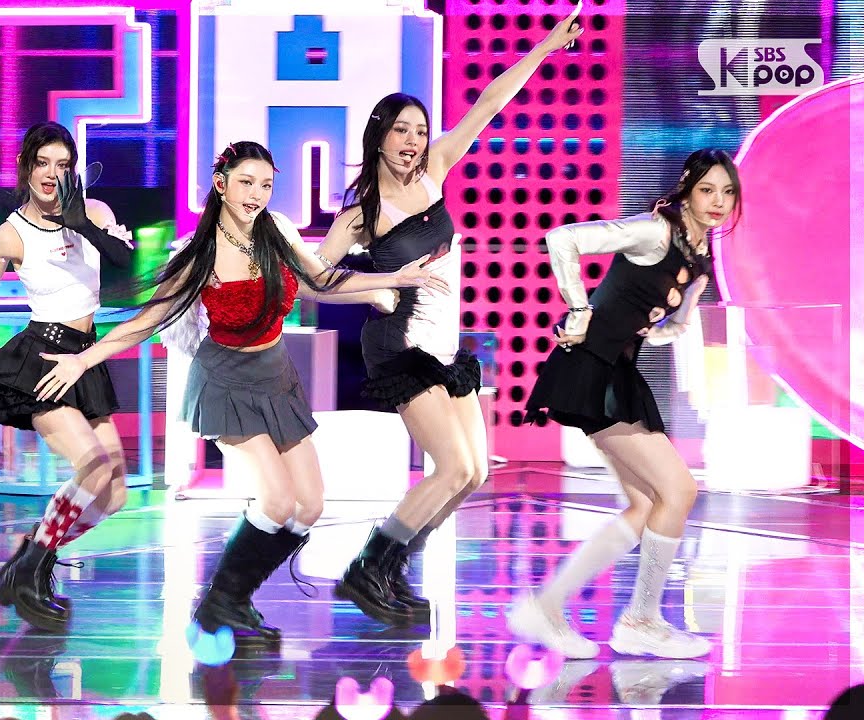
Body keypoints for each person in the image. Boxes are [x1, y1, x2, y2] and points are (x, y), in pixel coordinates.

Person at [32, 140, 447, 647]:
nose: (256, 194)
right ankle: (217, 603)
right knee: (277, 500)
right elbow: (147, 321)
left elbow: (320, 279)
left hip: (277, 379)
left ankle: (233, 598)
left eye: (266, 185)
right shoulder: (200, 253)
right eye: (246, 183)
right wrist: (83, 359)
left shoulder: (277, 232)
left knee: (309, 505)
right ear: (221, 184)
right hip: (226, 382)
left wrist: (391, 279)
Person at [312, 2, 585, 626]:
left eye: (419, 129)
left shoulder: (434, 172)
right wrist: (378, 284)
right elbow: (317, 283)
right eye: (401, 130)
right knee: (454, 465)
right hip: (400, 346)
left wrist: (545, 47)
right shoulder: (362, 214)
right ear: (379, 137)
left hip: (443, 344)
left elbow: (488, 104)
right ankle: (366, 570)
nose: (413, 141)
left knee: (474, 473)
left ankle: (394, 566)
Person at [509, 149, 741, 659]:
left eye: (727, 192)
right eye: (707, 189)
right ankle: (640, 620)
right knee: (678, 490)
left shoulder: (698, 258)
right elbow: (563, 239)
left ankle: (547, 607)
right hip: (593, 368)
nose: (718, 201)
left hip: (614, 369)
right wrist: (579, 310)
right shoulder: (654, 231)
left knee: (647, 505)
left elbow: (670, 325)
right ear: (686, 191)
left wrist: (662, 325)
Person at [0, 121, 135, 633]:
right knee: (93, 466)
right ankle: (29, 574)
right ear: (26, 167)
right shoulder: (10, 233)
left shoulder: (95, 213)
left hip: (86, 356)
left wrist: (81, 222)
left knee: (114, 495)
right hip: (43, 357)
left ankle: (28, 559)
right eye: (42, 163)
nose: (52, 174)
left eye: (63, 165)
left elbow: (124, 263)